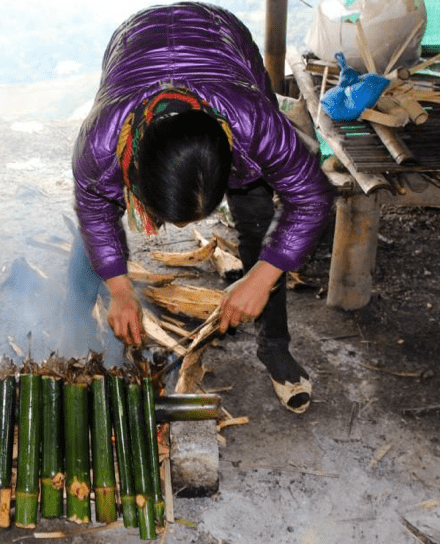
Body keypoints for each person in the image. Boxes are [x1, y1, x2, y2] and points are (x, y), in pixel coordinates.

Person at [70, 2, 335, 413]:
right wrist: (121, 289)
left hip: (221, 36)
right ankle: (84, 310)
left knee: (258, 219)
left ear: (233, 160)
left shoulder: (254, 124)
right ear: (136, 172)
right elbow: (92, 206)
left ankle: (275, 347)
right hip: (135, 42)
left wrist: (261, 278)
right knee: (98, 215)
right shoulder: (104, 141)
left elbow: (312, 196)